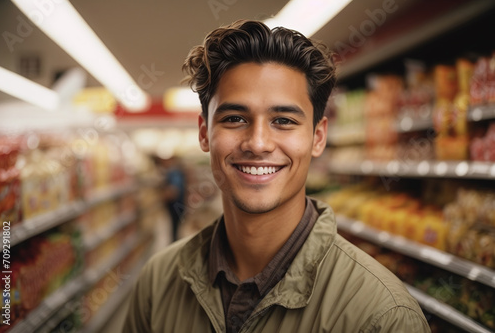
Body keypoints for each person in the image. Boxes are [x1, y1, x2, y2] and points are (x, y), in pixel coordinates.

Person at [123, 20, 431, 333]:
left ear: (318, 137)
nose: (257, 143)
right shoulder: (157, 283)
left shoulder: (383, 316)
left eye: (283, 120)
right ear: (205, 134)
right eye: (234, 118)